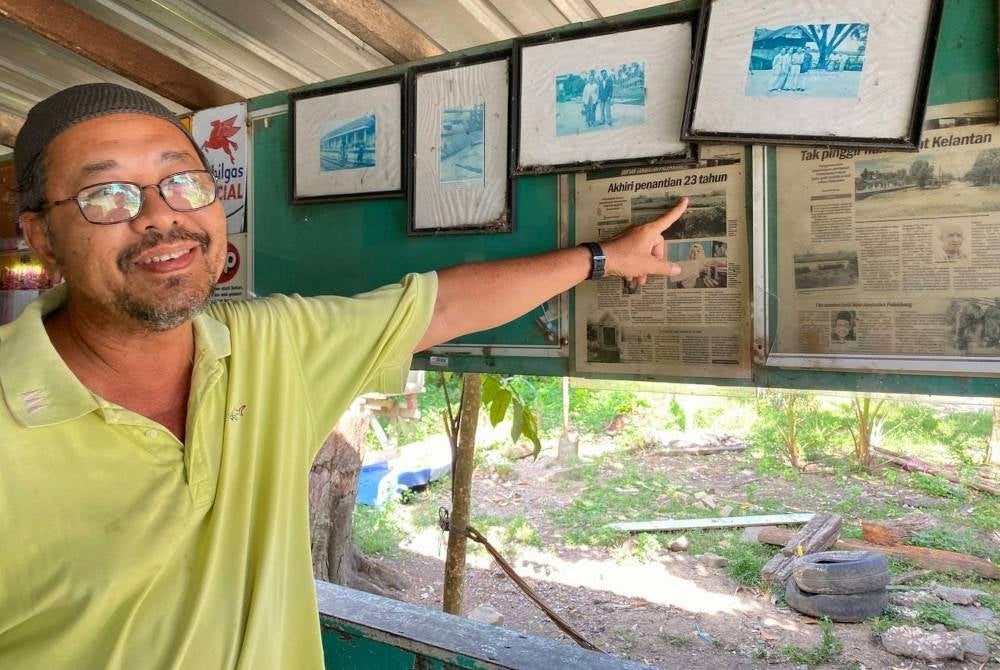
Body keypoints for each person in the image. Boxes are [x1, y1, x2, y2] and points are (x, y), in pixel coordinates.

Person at [0, 83, 688, 669]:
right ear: (41, 236)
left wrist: (604, 258)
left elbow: (440, 304)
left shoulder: (271, 346)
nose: (160, 216)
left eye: (183, 181)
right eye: (107, 194)